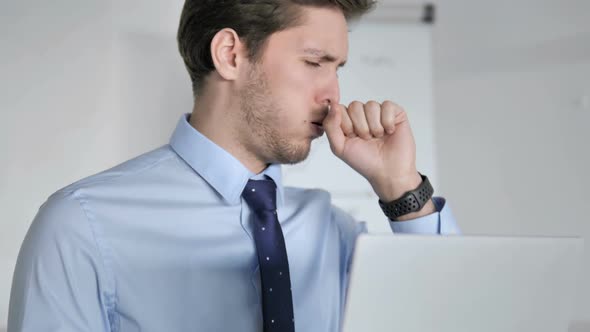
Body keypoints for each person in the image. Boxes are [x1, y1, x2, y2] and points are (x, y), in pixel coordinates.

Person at [8, 0, 460, 331]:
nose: (333, 96)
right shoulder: (81, 225)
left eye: (337, 69)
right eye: (314, 63)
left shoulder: (336, 234)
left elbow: (460, 314)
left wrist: (402, 188)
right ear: (230, 54)